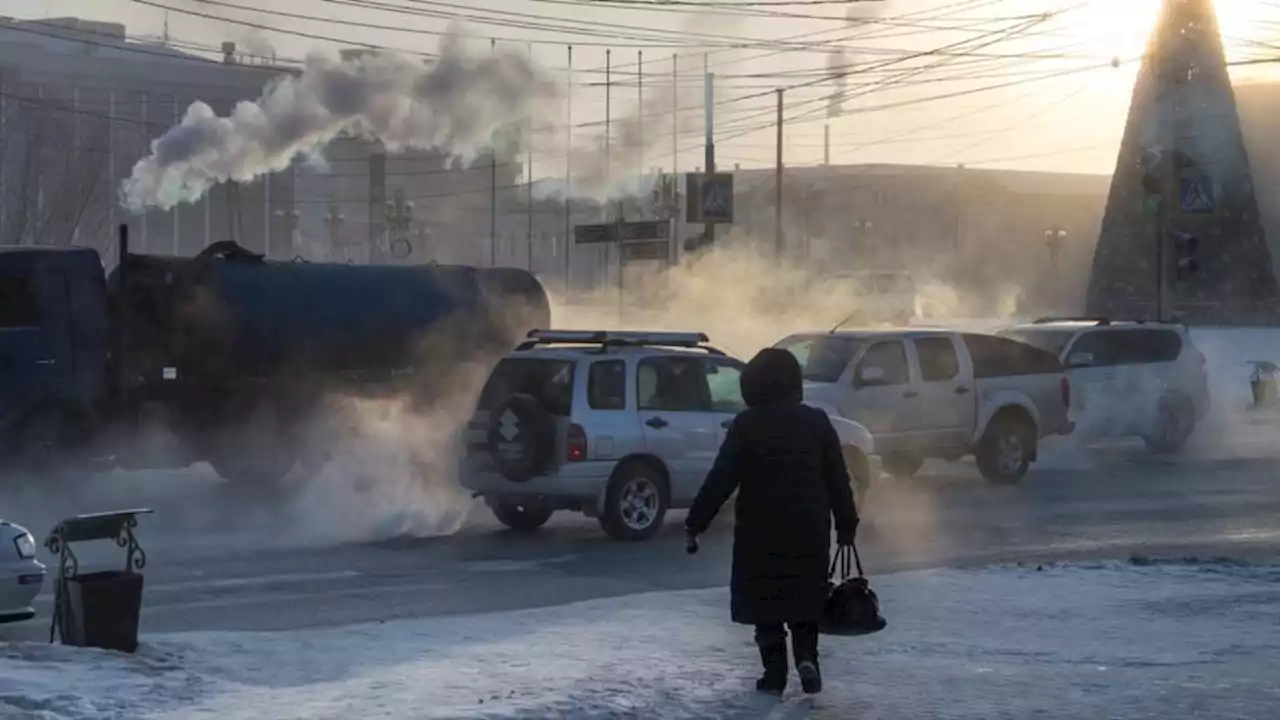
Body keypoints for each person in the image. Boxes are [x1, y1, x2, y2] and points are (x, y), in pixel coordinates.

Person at [684, 347, 860, 696]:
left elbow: (722, 478)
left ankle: (774, 673)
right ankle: (807, 659)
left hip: (759, 532)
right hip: (809, 530)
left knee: (765, 604)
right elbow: (838, 479)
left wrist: (696, 522)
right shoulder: (817, 422)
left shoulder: (747, 425)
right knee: (805, 599)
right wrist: (846, 525)